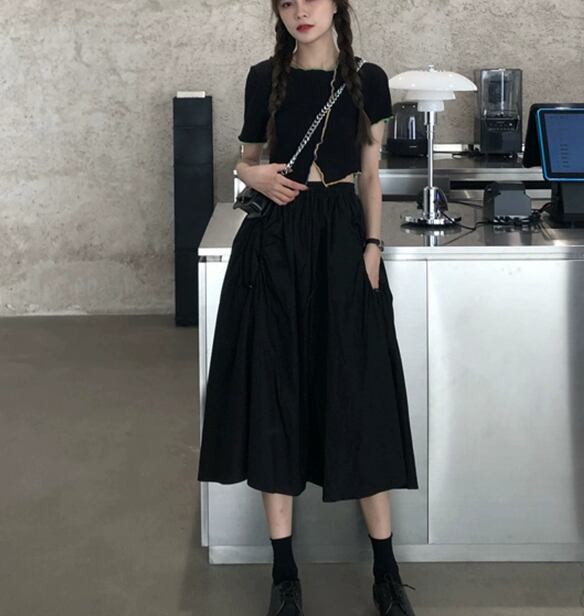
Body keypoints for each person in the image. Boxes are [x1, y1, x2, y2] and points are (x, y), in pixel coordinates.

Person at [197, 1, 419, 614]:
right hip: (273, 245)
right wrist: (252, 176)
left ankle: (385, 571)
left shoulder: (368, 78)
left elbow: (369, 174)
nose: (301, 10)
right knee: (275, 395)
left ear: (336, 5)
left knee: (359, 395)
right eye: (288, 1)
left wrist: (372, 246)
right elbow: (246, 162)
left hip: (343, 239)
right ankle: (284, 575)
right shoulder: (262, 78)